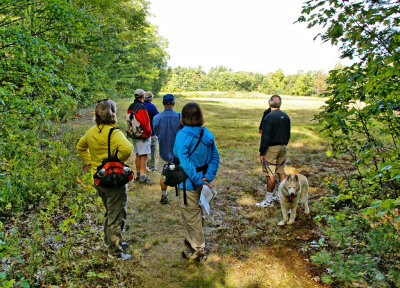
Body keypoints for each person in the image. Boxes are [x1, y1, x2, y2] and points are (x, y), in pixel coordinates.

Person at [76, 99, 133, 260]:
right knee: (116, 214)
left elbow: (80, 146)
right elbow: (128, 148)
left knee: (110, 211)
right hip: (112, 180)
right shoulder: (114, 133)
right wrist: (117, 162)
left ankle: (113, 241)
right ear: (112, 113)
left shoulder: (92, 131)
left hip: (98, 178)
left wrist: (90, 162)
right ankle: (115, 252)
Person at [173, 102, 220, 261]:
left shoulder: (182, 135)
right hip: (202, 182)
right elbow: (215, 158)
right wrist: (207, 177)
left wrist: (199, 180)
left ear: (184, 117)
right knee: (197, 212)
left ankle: (198, 249)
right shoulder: (207, 134)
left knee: (190, 214)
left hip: (188, 183)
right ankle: (192, 239)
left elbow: (184, 161)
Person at [257, 95, 291, 207]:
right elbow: (288, 134)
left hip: (271, 149)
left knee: (270, 174)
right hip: (283, 147)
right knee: (281, 172)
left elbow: (265, 137)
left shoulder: (269, 117)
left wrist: (262, 152)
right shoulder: (286, 116)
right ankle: (281, 196)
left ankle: (268, 200)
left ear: (269, 103)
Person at [153, 94, 181, 204]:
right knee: (180, 173)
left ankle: (164, 195)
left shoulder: (156, 118)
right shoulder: (180, 117)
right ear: (173, 104)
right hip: (177, 152)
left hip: (164, 150)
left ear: (163, 103)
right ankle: (181, 197)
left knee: (164, 173)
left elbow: (156, 131)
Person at [127, 88, 154, 185]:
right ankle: (143, 177)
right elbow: (145, 122)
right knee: (144, 156)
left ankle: (138, 175)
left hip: (134, 133)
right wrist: (148, 132)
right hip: (142, 135)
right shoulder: (141, 107)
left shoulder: (131, 106)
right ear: (143, 96)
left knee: (138, 155)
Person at [143, 91, 159, 172]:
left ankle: (144, 166)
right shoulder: (152, 107)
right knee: (153, 150)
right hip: (151, 132)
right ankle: (152, 167)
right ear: (151, 98)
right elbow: (157, 118)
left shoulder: (141, 106)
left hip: (141, 133)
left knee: (144, 152)